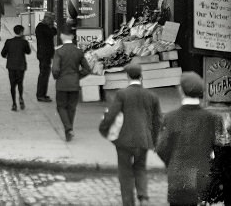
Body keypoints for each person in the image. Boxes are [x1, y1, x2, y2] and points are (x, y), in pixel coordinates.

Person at [98, 62, 162, 206]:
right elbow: (158, 120)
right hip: (143, 140)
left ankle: (128, 202)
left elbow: (112, 114)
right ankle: (143, 197)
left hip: (124, 140)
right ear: (141, 76)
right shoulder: (152, 96)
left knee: (125, 172)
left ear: (127, 76)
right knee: (140, 168)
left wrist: (103, 129)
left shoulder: (122, 94)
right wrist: (154, 141)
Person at [155, 71, 223, 206]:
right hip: (203, 179)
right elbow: (220, 151)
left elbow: (162, 148)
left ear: (181, 91)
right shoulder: (214, 119)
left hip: (178, 178)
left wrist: (173, 163)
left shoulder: (171, 117)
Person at [51, 28, 91, 141]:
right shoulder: (78, 51)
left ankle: (68, 128)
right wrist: (78, 76)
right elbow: (87, 69)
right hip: (74, 83)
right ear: (73, 37)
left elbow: (55, 69)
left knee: (61, 107)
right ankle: (70, 129)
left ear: (62, 36)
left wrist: (57, 77)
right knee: (71, 107)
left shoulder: (59, 51)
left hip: (62, 84)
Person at [1, 23, 32, 111]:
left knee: (12, 85)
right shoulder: (24, 42)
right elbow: (28, 52)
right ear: (21, 32)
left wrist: (8, 56)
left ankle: (14, 103)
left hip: (11, 65)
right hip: (21, 65)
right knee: (20, 83)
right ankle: (21, 97)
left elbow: (3, 54)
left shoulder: (8, 41)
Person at [34, 11, 57, 103]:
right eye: (50, 20)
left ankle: (43, 93)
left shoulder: (46, 27)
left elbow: (55, 31)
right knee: (43, 74)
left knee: (45, 74)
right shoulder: (41, 27)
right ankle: (40, 95)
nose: (51, 22)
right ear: (46, 19)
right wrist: (51, 26)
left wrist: (51, 26)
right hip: (43, 54)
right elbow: (51, 32)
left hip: (46, 54)